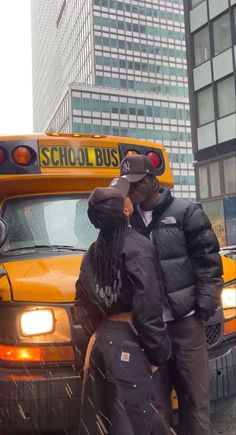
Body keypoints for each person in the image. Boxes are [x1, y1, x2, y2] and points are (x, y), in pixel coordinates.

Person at [119, 154, 224, 435]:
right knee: (155, 406)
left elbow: (210, 263)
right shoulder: (127, 223)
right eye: (126, 185)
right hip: (150, 331)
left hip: (186, 325)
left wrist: (201, 310)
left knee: (195, 402)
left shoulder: (186, 212)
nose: (131, 190)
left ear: (152, 180)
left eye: (136, 184)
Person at [75, 177, 174, 435]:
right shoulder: (138, 247)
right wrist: (158, 354)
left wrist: (94, 339)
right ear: (124, 210)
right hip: (130, 343)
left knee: (102, 422)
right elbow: (148, 306)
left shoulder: (92, 253)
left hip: (99, 344)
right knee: (133, 422)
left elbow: (82, 305)